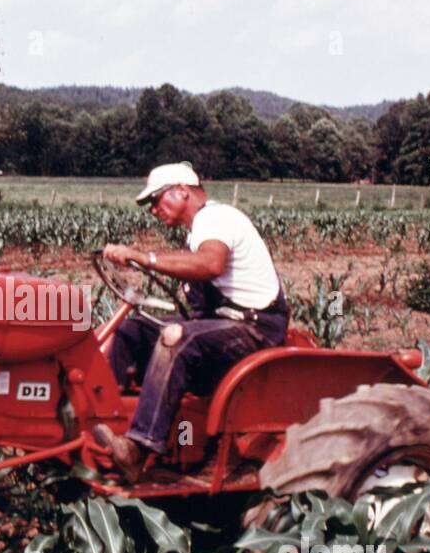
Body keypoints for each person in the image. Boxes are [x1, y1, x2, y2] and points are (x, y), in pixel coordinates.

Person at [93, 162, 287, 482]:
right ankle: (101, 420)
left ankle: (139, 449)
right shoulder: (197, 231)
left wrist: (145, 258)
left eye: (156, 200)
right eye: (150, 205)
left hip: (256, 327)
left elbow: (211, 263)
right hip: (223, 324)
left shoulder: (216, 218)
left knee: (177, 336)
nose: (154, 210)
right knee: (133, 329)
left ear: (182, 190)